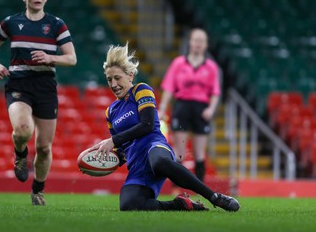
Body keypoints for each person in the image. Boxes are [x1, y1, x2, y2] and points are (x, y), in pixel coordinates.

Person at [90, 43, 239, 212]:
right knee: (128, 206)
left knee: (160, 162)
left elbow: (146, 125)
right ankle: (181, 205)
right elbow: (122, 150)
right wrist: (104, 162)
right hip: (137, 164)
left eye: (117, 78)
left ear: (130, 75)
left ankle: (214, 197)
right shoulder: (110, 112)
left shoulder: (141, 90)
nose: (113, 84)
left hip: (155, 147)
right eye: (109, 79)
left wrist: (113, 140)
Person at [0, 0, 77, 205]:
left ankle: (37, 191)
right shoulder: (11, 22)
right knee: (23, 130)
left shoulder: (57, 25)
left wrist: (50, 57)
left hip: (45, 87)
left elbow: (72, 58)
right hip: (18, 84)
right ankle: (20, 155)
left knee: (44, 148)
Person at [158, 28, 220, 183]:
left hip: (201, 109)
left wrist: (211, 109)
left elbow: (215, 92)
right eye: (195, 40)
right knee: (179, 152)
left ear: (206, 45)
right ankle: (175, 186)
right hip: (182, 107)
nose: (198, 44)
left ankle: (200, 189)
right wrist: (162, 109)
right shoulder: (178, 63)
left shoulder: (211, 67)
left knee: (199, 153)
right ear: (190, 42)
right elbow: (169, 88)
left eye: (202, 41)